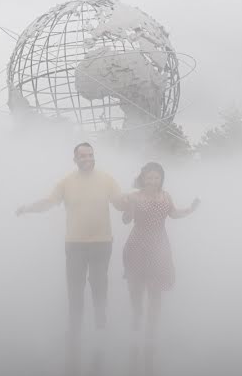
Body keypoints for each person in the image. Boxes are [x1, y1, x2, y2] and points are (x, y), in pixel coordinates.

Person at [16, 142, 126, 332]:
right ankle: (75, 327)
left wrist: (132, 202)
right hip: (75, 243)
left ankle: (101, 324)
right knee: (75, 287)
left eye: (90, 155)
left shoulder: (107, 179)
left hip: (101, 242)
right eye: (83, 156)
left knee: (99, 284)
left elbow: (119, 203)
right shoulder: (66, 182)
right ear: (75, 159)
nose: (87, 159)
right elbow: (49, 202)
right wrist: (27, 209)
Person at [121, 162, 199, 335]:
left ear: (161, 179)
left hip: (159, 246)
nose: (153, 181)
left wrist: (190, 210)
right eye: (149, 177)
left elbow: (173, 214)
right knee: (136, 288)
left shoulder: (166, 196)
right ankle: (136, 322)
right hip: (137, 245)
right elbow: (126, 220)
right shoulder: (134, 196)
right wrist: (127, 208)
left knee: (155, 289)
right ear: (143, 178)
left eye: (157, 178)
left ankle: (152, 330)